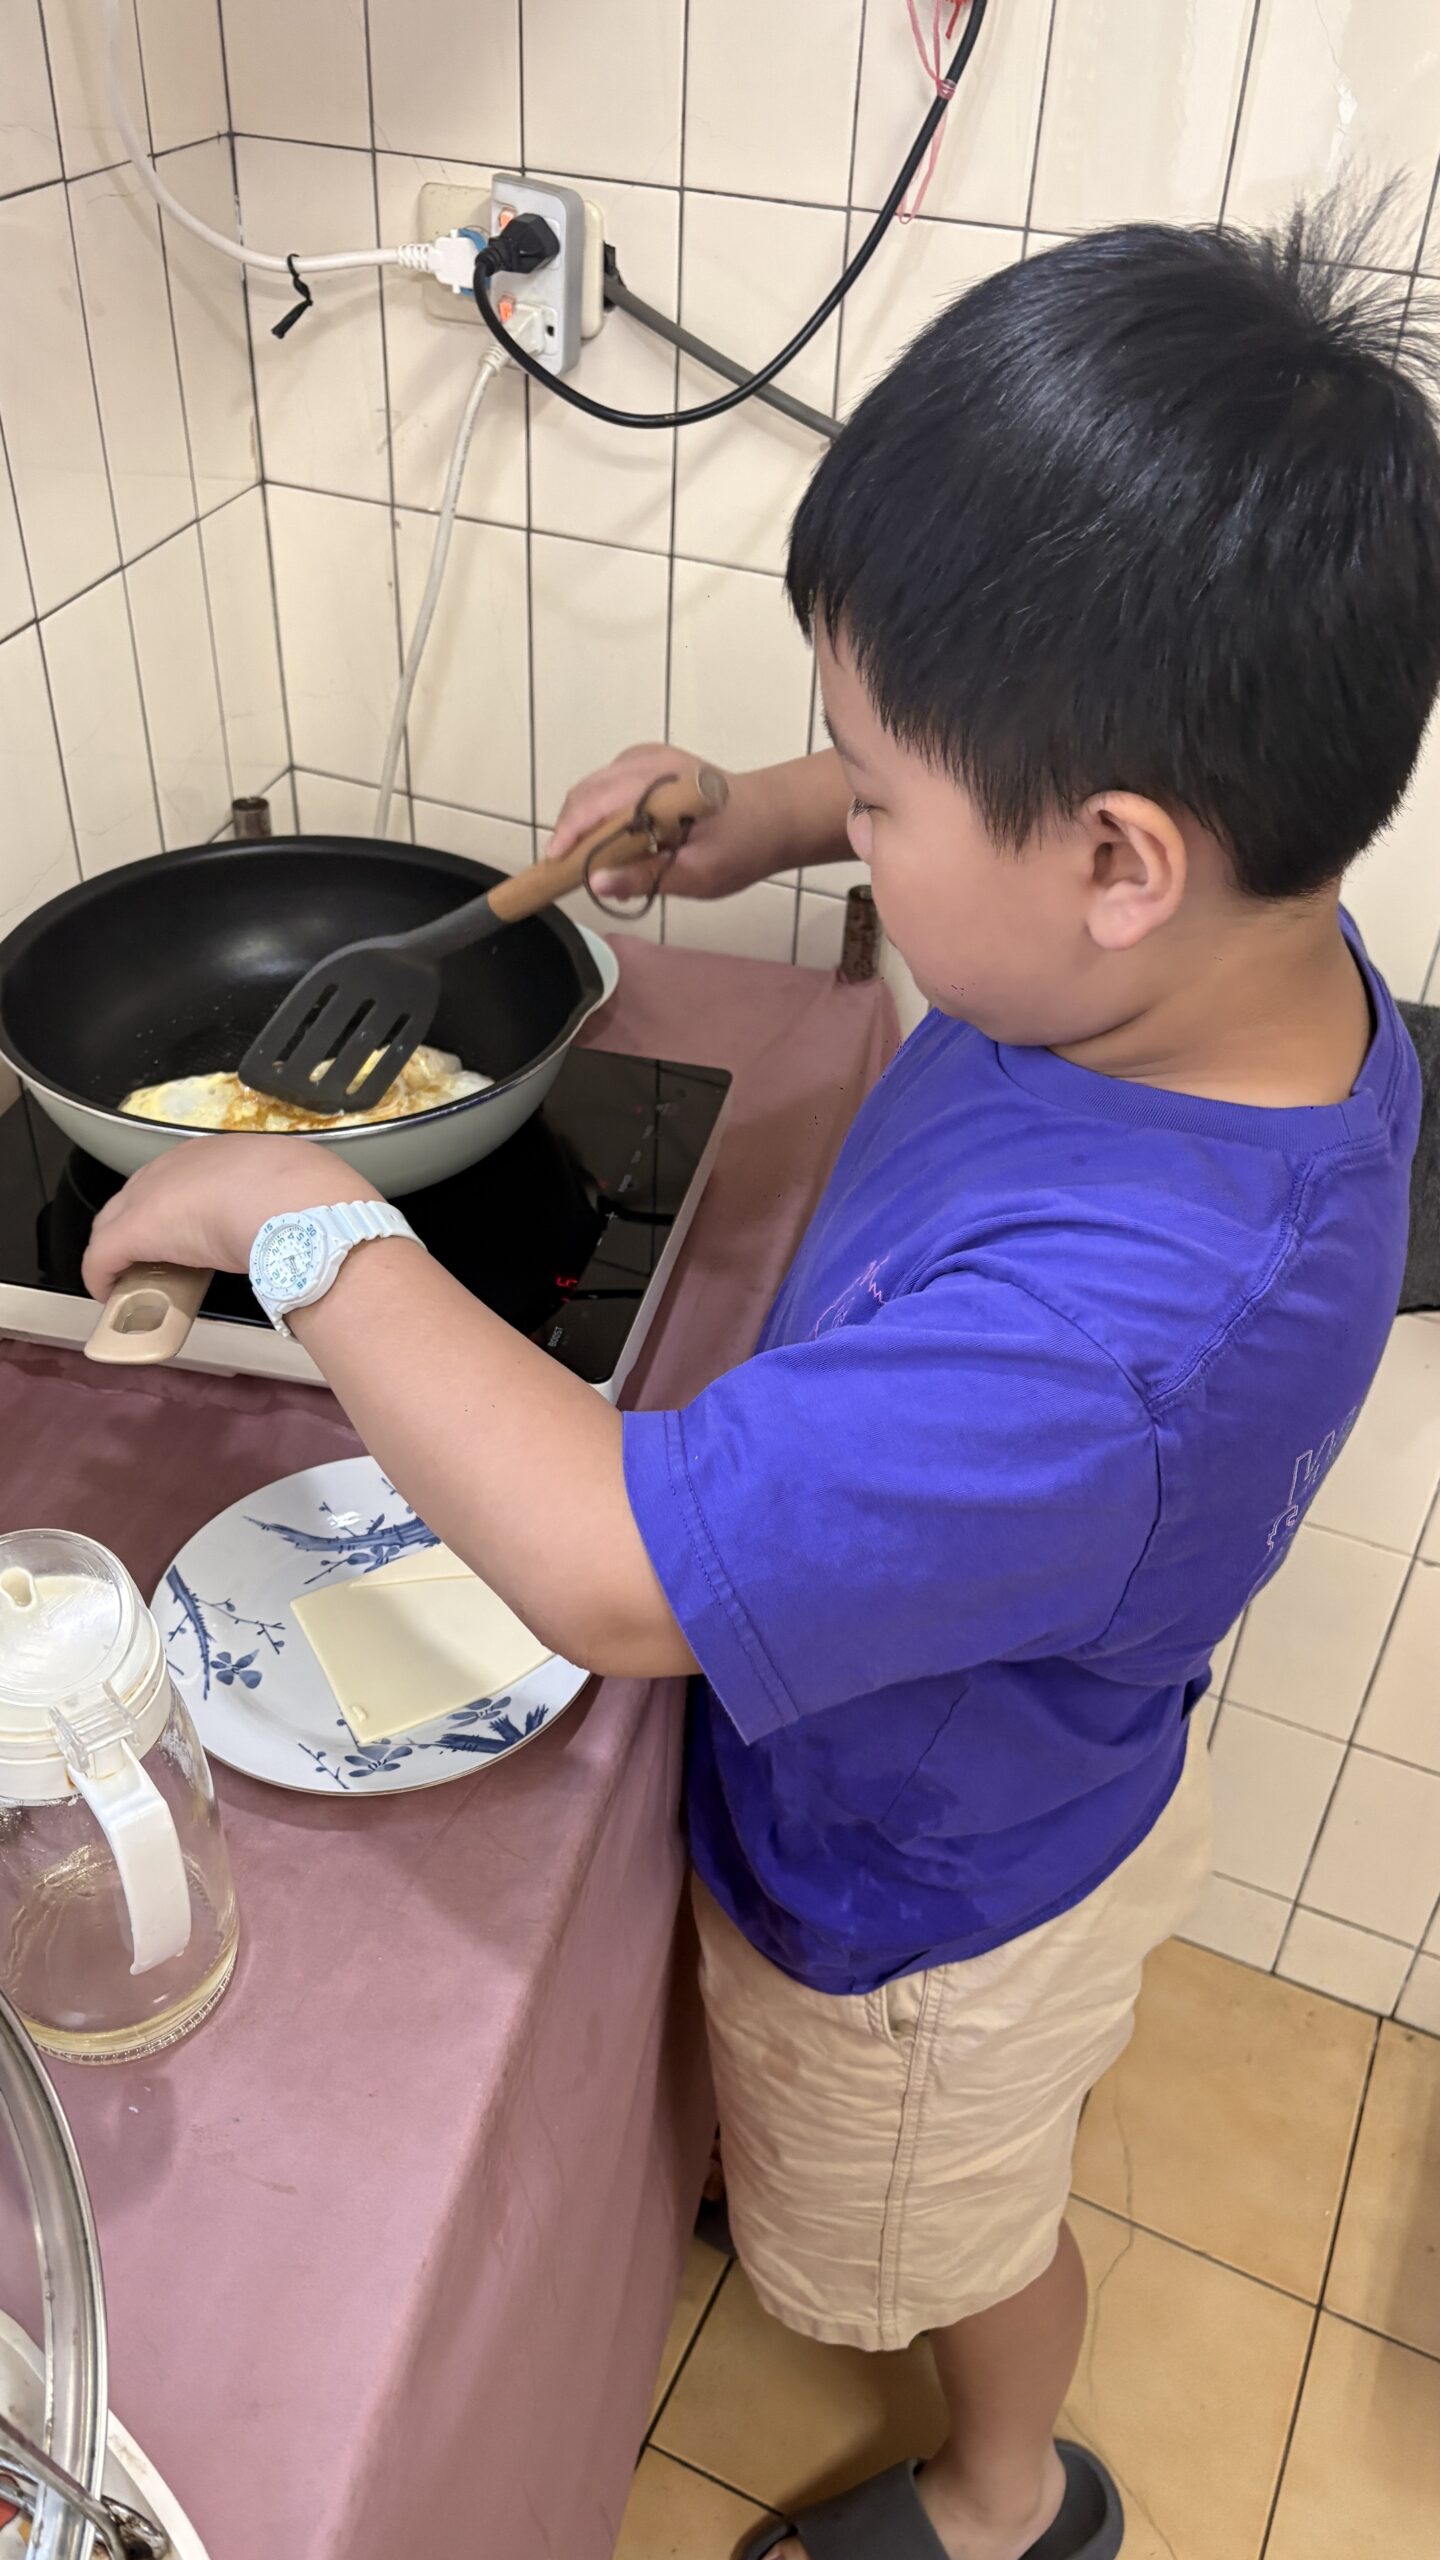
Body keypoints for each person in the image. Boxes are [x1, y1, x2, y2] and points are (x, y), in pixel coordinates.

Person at [84, 192, 1440, 2560]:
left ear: (1117, 853)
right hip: (1003, 1748)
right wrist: (764, 813)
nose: (852, 821)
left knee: (948, 2223)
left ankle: (1011, 2488)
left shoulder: (1109, 1338)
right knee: (900, 2169)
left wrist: (303, 1221)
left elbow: (613, 1567)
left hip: (929, 1900)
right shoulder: (1231, 964)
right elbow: (984, 849)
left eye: (877, 793)